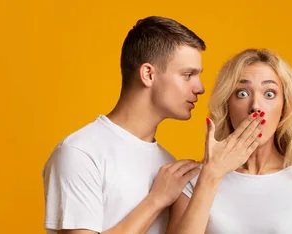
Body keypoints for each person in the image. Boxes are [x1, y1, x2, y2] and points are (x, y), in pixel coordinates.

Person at [42, 16, 262, 234]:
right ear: (148, 74)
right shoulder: (80, 152)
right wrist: (156, 200)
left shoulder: (169, 166)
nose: (200, 88)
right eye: (187, 75)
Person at [166, 49, 292, 234]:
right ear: (227, 106)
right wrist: (211, 176)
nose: (255, 106)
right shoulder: (193, 180)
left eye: (269, 94)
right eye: (242, 93)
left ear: (285, 107)